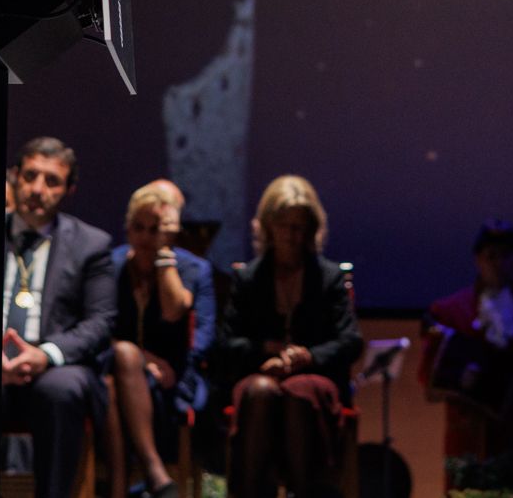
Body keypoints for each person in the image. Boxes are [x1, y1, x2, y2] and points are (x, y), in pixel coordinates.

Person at [222, 175, 364, 498]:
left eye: (299, 226)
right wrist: (264, 351)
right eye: (284, 225)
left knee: (299, 391)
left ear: (311, 230)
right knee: (260, 392)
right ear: (268, 227)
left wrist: (309, 357)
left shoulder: (328, 278)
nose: (291, 235)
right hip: (261, 374)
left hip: (315, 379)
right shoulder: (248, 279)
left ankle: (307, 491)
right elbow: (227, 343)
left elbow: (350, 341)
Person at [1, 137, 116, 498]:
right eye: (30, 176)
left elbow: (101, 322)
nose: (37, 189)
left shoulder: (90, 245)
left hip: (53, 365)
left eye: (51, 181)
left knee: (61, 390)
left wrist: (45, 354)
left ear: (69, 189)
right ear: (14, 177)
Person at [101, 182, 216, 498]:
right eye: (138, 227)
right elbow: (96, 330)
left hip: (173, 381)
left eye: (155, 230)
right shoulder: (111, 266)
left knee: (114, 388)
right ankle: (156, 475)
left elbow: (182, 320)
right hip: (114, 373)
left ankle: (119, 489)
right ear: (127, 228)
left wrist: (165, 262)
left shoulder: (194, 270)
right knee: (119, 366)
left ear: (169, 232)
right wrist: (143, 359)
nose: (145, 237)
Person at [421, 220, 513, 475]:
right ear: (478, 259)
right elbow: (428, 378)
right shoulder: (448, 311)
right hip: (469, 438)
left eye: (506, 256)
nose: (498, 264)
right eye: (491, 256)